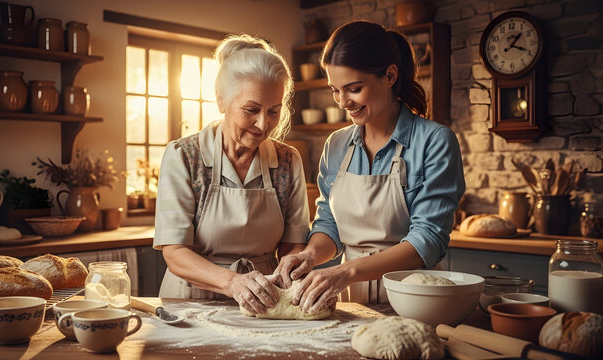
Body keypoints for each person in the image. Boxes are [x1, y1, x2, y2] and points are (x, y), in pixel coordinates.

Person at [275, 20, 465, 313]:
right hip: (349, 301)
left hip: (413, 298)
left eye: (354, 89)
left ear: (390, 75)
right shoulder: (336, 145)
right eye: (335, 90)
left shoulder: (434, 141)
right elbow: (329, 223)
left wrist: (346, 271)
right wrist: (311, 254)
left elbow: (427, 240)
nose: (342, 102)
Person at [153, 34, 310, 315]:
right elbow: (174, 253)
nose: (263, 124)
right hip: (189, 303)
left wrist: (292, 275)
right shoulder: (184, 156)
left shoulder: (288, 161)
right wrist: (232, 282)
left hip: (265, 299)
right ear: (221, 100)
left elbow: (293, 244)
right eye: (251, 110)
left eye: (274, 111)